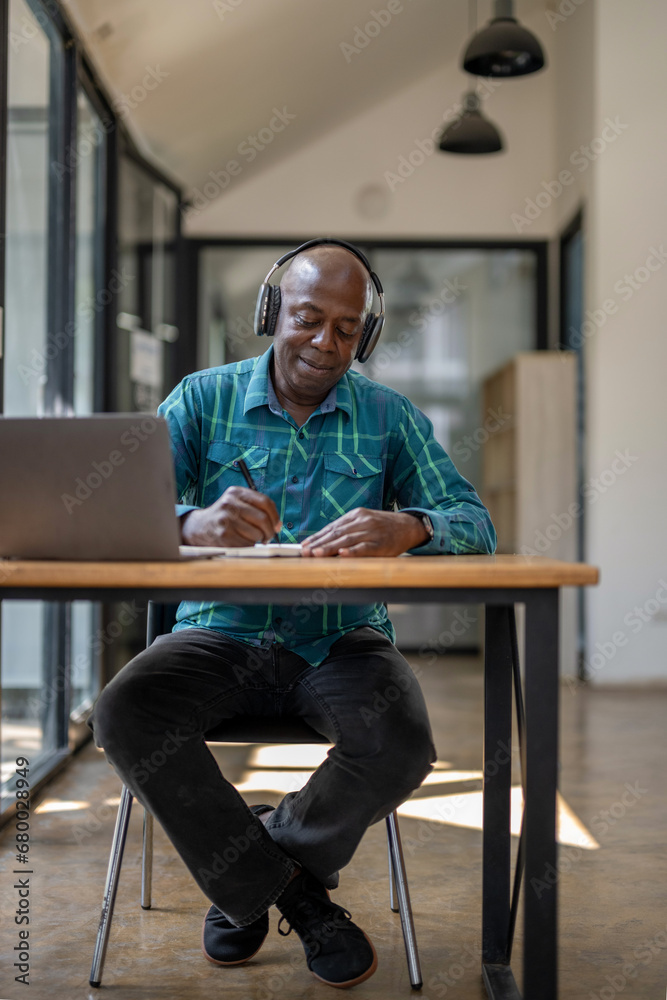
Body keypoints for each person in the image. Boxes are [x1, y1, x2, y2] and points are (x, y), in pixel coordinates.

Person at [89, 241, 496, 989]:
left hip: (341, 639)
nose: (325, 342)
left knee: (400, 745)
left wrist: (409, 526)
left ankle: (247, 866)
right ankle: (300, 903)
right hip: (217, 630)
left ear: (365, 338)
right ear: (272, 313)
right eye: (309, 318)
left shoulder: (387, 416)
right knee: (124, 713)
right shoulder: (201, 398)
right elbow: (119, 509)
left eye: (347, 328)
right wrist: (189, 524)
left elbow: (474, 523)